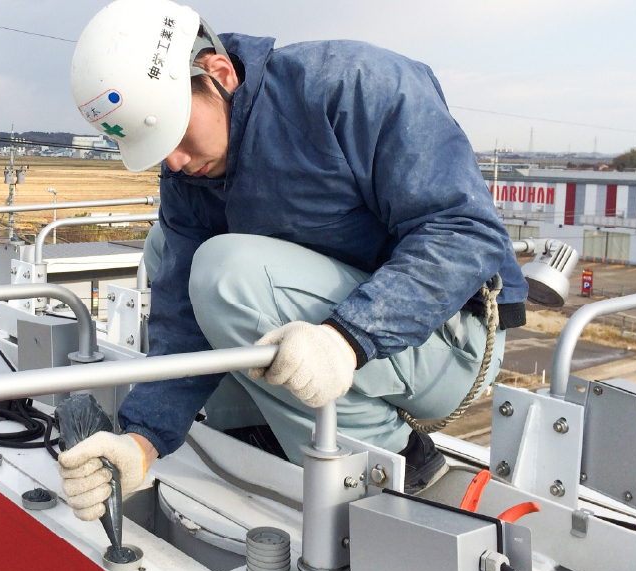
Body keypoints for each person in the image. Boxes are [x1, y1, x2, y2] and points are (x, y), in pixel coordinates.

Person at [58, 0, 528, 522]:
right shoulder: (190, 167)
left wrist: (346, 339)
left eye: (175, 131)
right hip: (345, 329)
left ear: (218, 74)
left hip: (447, 338)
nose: (173, 161)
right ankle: (259, 427)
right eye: (158, 146)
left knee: (224, 271)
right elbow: (180, 311)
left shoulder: (352, 86)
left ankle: (398, 465)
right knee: (167, 249)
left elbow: (464, 232)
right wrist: (143, 438)